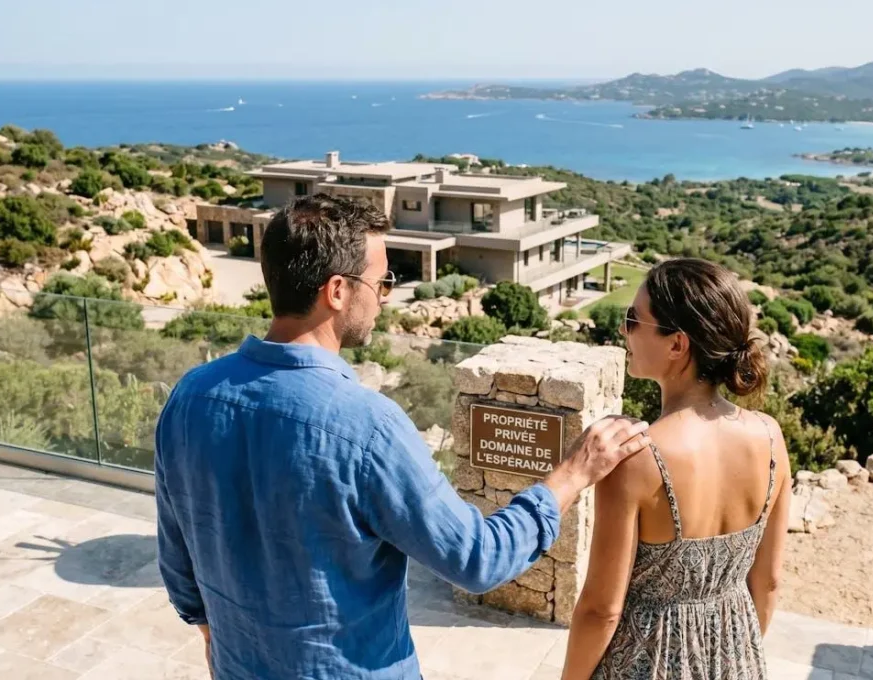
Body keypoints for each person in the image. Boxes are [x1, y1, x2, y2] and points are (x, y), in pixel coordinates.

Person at [154, 193, 652, 680]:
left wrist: (217, 641)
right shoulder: (366, 425)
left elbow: (176, 553)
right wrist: (572, 474)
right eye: (383, 281)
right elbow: (478, 559)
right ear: (337, 291)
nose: (386, 296)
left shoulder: (190, 396)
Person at [560, 258, 792, 680]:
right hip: (735, 656)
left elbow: (601, 610)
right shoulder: (771, 437)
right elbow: (769, 581)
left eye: (633, 320)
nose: (623, 331)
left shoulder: (636, 458)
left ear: (677, 345)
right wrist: (734, 654)